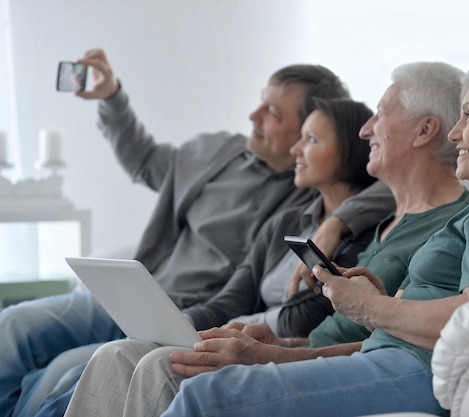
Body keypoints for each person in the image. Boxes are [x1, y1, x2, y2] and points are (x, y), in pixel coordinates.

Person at [74, 55, 469, 417]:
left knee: (194, 390)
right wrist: (281, 350)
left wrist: (367, 306)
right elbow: (406, 333)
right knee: (133, 360)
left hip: (417, 373)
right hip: (395, 357)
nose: (457, 134)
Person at [0, 49, 395, 417]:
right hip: (141, 290)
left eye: (273, 111)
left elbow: (389, 179)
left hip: (191, 309)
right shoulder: (215, 151)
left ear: (308, 133)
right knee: (15, 325)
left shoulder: (303, 193)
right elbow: (145, 161)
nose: (254, 115)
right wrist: (113, 98)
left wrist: (335, 223)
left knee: (60, 375)